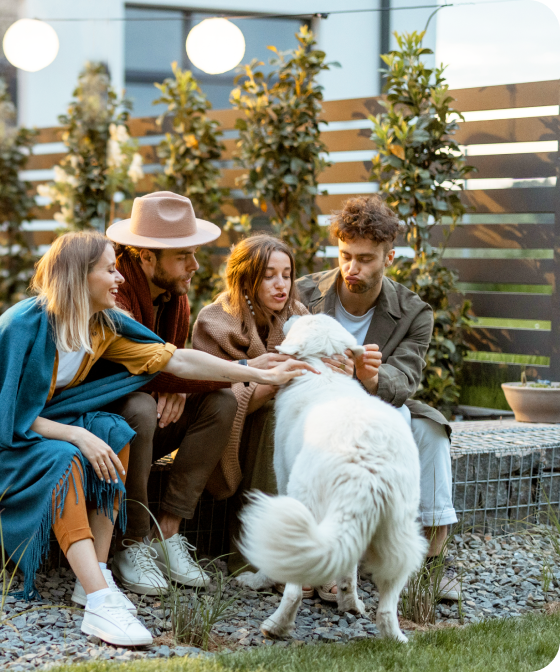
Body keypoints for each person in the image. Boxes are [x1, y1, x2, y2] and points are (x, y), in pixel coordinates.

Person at [0, 231, 315, 647]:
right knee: (66, 458)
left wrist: (258, 372)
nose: (119, 279)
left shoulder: (103, 327)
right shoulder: (25, 325)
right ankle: (99, 601)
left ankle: (94, 575)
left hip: (28, 427)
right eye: (109, 269)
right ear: (80, 276)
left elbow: (179, 359)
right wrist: (77, 434)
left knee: (114, 431)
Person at [296, 195, 462, 602]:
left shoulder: (413, 312)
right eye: (345, 255)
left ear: (389, 257)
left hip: (381, 403)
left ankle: (433, 562)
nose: (352, 268)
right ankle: (333, 556)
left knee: (432, 431)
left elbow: (405, 378)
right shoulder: (303, 293)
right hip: (315, 407)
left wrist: (370, 377)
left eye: (366, 259)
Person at [101, 191, 243, 596]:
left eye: (194, 254)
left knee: (222, 402)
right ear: (146, 257)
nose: (195, 266)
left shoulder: (173, 295)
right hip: (102, 426)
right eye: (183, 256)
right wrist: (174, 381)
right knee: (141, 406)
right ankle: (131, 543)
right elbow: (136, 369)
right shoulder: (114, 290)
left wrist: (176, 384)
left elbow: (171, 361)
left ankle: (167, 532)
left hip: (143, 420)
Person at [190, 234, 324, 595]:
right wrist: (269, 381)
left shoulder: (299, 316)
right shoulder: (215, 321)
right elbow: (211, 397)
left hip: (294, 425)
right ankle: (263, 558)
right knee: (271, 420)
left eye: (286, 274)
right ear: (246, 278)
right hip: (229, 431)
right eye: (269, 275)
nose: (281, 285)